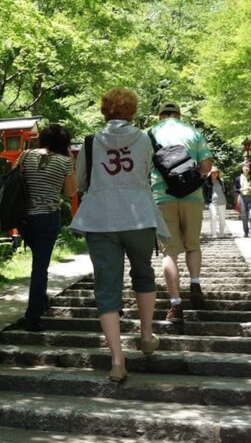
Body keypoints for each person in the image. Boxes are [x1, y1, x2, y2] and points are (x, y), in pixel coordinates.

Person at [70, 88, 168, 383]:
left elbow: (81, 183)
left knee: (106, 287)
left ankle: (116, 360)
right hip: (139, 217)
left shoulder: (90, 142)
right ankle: (147, 336)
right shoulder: (146, 139)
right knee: (144, 274)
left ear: (104, 111)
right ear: (133, 111)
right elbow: (149, 172)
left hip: (101, 220)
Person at [149, 102, 213, 322]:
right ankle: (195, 284)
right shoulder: (192, 132)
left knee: (170, 252)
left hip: (162, 196)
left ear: (159, 116)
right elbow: (206, 167)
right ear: (179, 114)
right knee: (192, 245)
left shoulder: (150, 134)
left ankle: (175, 305)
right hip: (192, 196)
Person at [19, 124, 77, 332]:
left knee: (38, 260)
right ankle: (33, 315)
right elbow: (71, 192)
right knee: (40, 267)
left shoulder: (25, 155)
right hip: (48, 217)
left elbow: (15, 181)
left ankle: (41, 298)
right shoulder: (64, 161)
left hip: (25, 218)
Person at [203, 165, 228, 238]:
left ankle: (222, 233)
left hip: (222, 202)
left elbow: (225, 191)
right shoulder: (207, 183)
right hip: (212, 203)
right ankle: (214, 233)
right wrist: (207, 201)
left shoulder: (221, 181)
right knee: (213, 217)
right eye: (213, 172)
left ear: (218, 173)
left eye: (216, 172)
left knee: (222, 218)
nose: (214, 174)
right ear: (210, 174)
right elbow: (204, 193)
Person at [234, 163, 251, 237]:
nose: (246, 168)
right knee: (244, 215)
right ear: (242, 169)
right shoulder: (238, 178)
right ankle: (246, 232)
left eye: (247, 167)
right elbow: (235, 189)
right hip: (242, 197)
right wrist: (241, 189)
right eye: (244, 167)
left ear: (250, 169)